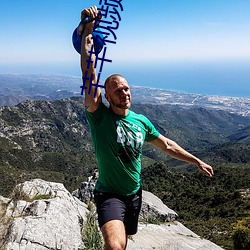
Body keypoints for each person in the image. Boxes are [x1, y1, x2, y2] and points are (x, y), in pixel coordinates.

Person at [79, 6, 214, 250]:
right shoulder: (99, 116)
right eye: (117, 90)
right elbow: (88, 72)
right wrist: (88, 30)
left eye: (126, 88)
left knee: (125, 241)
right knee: (114, 246)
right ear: (106, 96)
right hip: (109, 194)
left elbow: (168, 145)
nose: (124, 92)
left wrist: (196, 161)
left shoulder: (142, 121)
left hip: (134, 194)